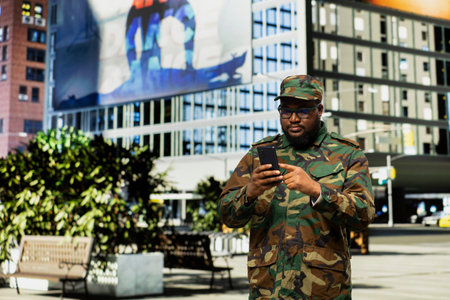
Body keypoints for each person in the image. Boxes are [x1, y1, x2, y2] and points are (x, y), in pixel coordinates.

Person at [218, 74, 375, 299]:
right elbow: (227, 215)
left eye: (303, 111)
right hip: (268, 290)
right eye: (286, 111)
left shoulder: (347, 154)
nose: (293, 118)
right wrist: (250, 192)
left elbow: (364, 214)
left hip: (322, 290)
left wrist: (317, 190)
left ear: (319, 110)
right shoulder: (258, 156)